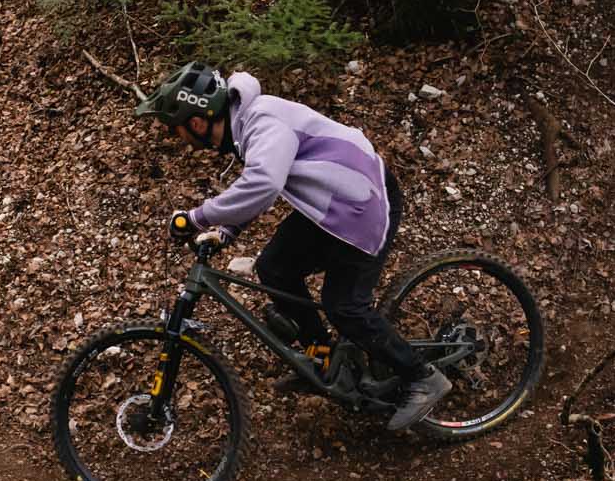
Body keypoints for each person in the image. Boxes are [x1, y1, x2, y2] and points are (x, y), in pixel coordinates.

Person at [135, 61, 452, 432]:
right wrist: (226, 232)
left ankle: (420, 376)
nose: (179, 140)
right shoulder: (245, 126)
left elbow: (264, 183)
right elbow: (262, 183)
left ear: (198, 121)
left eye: (176, 131)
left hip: (365, 202)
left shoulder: (262, 120)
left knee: (344, 305)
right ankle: (323, 356)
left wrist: (197, 218)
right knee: (274, 268)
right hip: (333, 203)